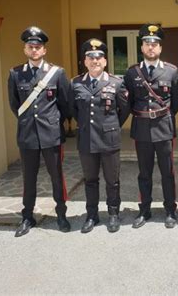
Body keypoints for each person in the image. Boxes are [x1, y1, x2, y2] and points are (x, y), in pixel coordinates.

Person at [8, 26, 71, 237]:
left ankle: (61, 214)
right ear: (25, 49)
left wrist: (52, 123)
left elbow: (65, 104)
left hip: (51, 134)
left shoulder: (57, 73)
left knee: (56, 177)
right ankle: (27, 217)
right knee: (29, 178)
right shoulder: (16, 74)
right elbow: (15, 105)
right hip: (27, 136)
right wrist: (29, 123)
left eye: (38, 47)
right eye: (30, 46)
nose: (34, 50)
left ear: (44, 50)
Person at [123, 23, 178, 229]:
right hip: (141, 129)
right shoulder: (132, 73)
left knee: (168, 173)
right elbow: (127, 102)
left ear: (160, 48)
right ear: (141, 47)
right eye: (147, 43)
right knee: (144, 173)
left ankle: (170, 211)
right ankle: (144, 210)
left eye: (155, 44)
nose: (151, 47)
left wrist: (163, 116)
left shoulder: (172, 72)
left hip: (164, 128)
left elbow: (177, 101)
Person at [70, 39, 130, 233]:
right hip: (87, 140)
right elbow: (73, 110)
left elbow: (124, 109)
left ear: (105, 61)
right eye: (90, 57)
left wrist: (111, 126)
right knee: (90, 180)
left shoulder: (116, 82)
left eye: (98, 57)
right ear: (85, 61)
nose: (95, 61)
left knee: (113, 180)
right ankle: (92, 215)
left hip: (109, 140)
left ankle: (113, 214)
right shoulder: (76, 83)